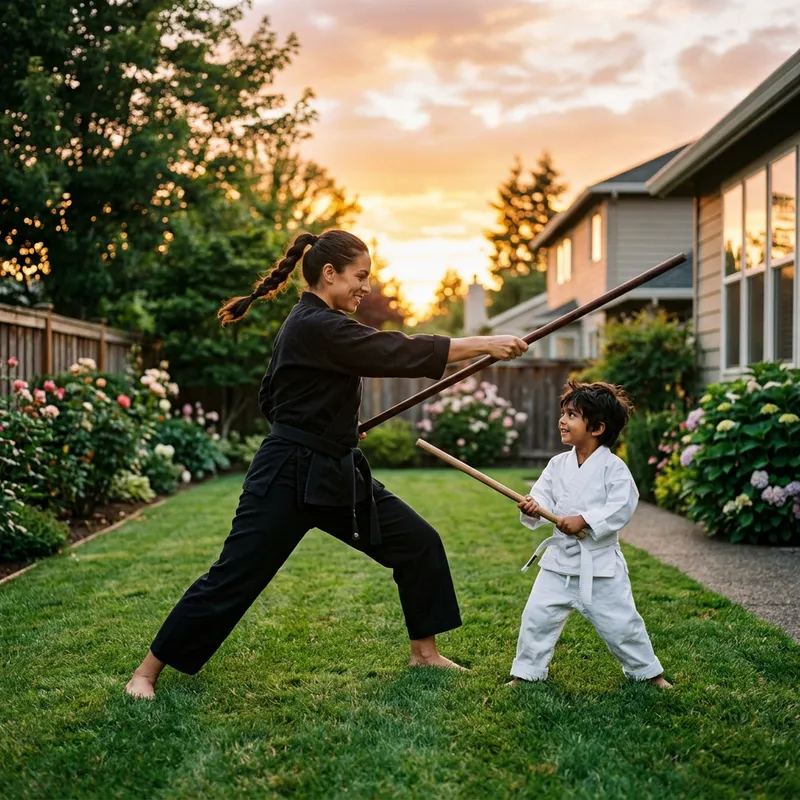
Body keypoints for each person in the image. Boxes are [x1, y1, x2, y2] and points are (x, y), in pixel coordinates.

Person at [126, 229, 528, 699]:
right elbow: (392, 350)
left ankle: (425, 652)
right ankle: (146, 673)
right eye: (360, 276)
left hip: (334, 469)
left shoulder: (314, 325)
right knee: (236, 574)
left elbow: (272, 397)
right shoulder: (315, 324)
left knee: (417, 542)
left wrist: (332, 426)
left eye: (369, 278)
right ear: (329, 273)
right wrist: (483, 342)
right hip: (286, 476)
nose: (367, 287)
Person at [509, 379, 670, 687]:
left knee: (622, 625)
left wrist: (584, 519)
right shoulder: (558, 464)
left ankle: (649, 674)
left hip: (599, 568)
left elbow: (623, 505)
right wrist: (532, 506)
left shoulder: (614, 469)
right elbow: (541, 495)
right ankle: (527, 673)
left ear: (597, 428)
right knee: (536, 619)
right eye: (564, 413)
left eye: (572, 415)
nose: (562, 420)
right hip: (557, 566)